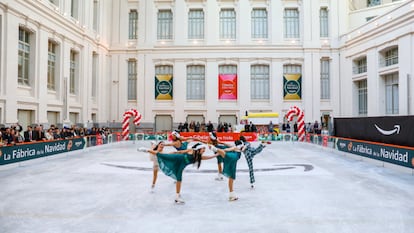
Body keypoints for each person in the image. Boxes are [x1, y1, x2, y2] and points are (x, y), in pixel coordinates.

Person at [139, 143, 218, 204]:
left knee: (179, 179)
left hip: (181, 165)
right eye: (203, 149)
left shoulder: (198, 157)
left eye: (204, 149)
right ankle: (147, 150)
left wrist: (217, 154)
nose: (204, 150)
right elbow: (181, 151)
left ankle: (177, 197)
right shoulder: (191, 151)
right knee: (162, 155)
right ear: (198, 149)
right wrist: (174, 152)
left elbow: (209, 157)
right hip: (177, 158)